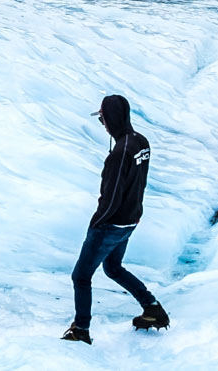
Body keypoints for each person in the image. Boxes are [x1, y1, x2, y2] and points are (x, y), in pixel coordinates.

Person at [62, 95, 169, 344]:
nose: (102, 124)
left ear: (111, 118)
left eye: (102, 118)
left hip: (112, 224)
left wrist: (97, 223)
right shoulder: (140, 142)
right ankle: (152, 308)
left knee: (81, 276)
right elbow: (137, 184)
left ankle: (81, 329)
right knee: (113, 268)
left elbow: (111, 198)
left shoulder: (120, 153)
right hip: (130, 221)